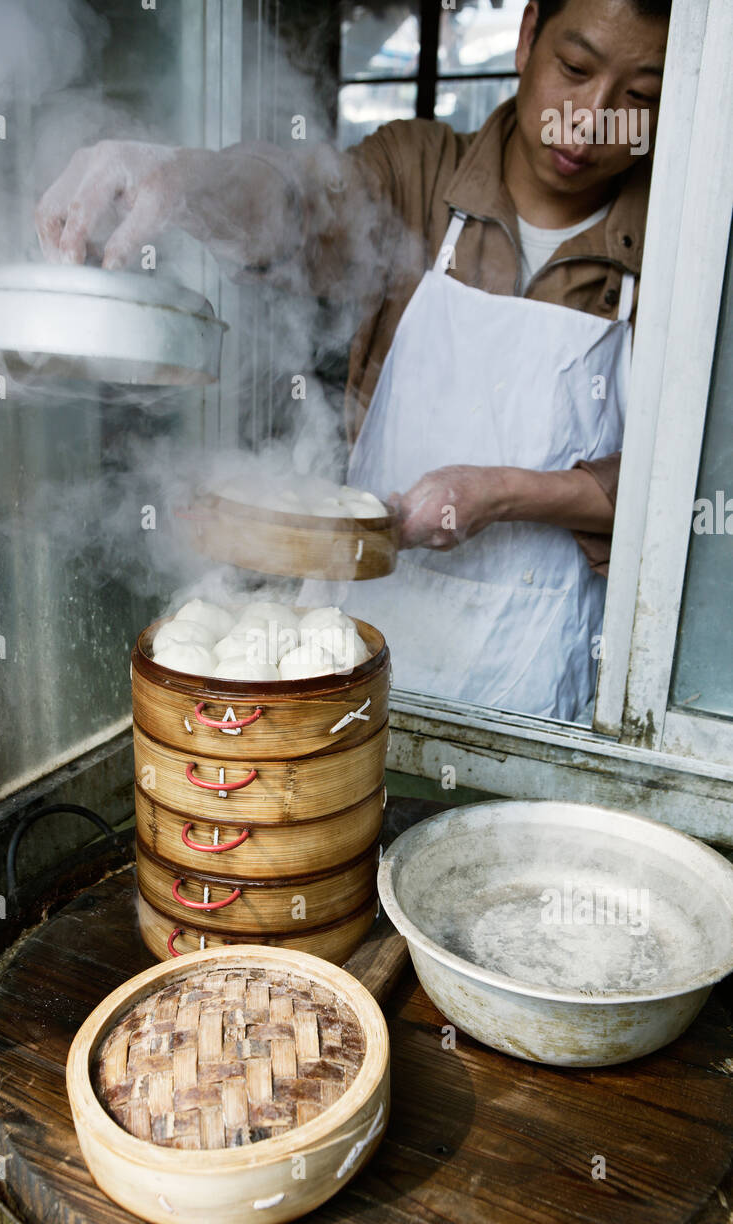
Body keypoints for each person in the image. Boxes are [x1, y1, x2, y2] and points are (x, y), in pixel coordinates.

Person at [36, 0, 670, 721]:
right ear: (527, 36)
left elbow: (681, 485)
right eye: (575, 68)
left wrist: (502, 492)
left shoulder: (680, 241)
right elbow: (299, 202)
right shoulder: (419, 173)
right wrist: (185, 181)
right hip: (355, 658)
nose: (589, 119)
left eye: (639, 97)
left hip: (539, 672)